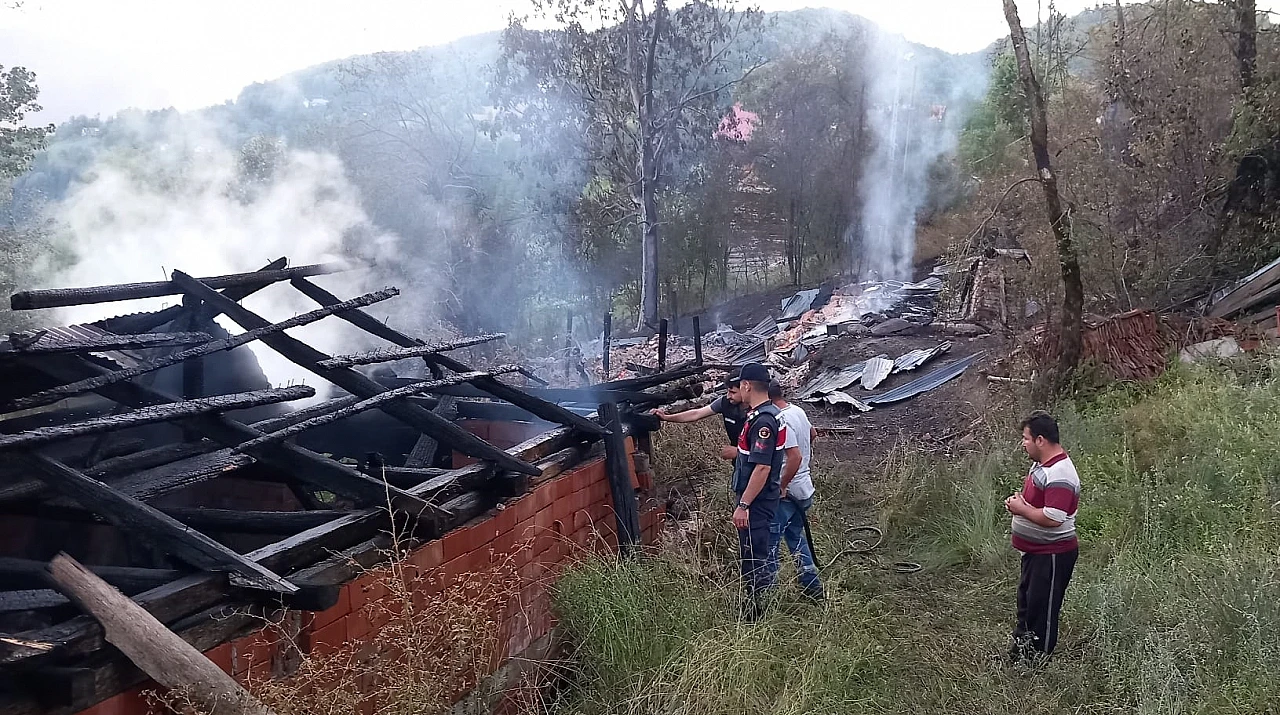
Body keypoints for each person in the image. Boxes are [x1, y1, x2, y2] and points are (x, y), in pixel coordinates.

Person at [1004, 411, 1080, 663]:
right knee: (1027, 604)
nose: (1022, 444)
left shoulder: (1060, 473)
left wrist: (1022, 509)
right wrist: (1020, 503)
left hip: (1052, 554)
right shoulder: (1042, 465)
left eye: (1025, 438)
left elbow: (1053, 517)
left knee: (1043, 610)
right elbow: (1039, 503)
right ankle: (1020, 654)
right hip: (1036, 552)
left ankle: (1035, 662)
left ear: (1040, 440)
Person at [729, 363, 787, 621]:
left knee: (754, 555)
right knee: (753, 553)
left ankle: (757, 614)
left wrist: (744, 504)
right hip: (759, 499)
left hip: (757, 502)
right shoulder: (765, 414)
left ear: (747, 385)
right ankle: (755, 605)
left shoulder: (763, 421)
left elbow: (762, 468)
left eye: (740, 384)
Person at [767, 381, 824, 600]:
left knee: (770, 542)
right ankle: (812, 585)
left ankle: (767, 594)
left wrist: (781, 485)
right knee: (794, 536)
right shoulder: (797, 410)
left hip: (788, 493)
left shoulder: (781, 419)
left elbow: (795, 457)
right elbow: (813, 433)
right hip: (805, 488)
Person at [654, 369, 745, 463]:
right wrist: (666, 417)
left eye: (733, 392)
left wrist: (738, 452)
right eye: (728, 391)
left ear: (746, 389)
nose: (728, 396)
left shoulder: (759, 411)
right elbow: (696, 414)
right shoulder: (725, 403)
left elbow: (760, 454)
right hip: (740, 462)